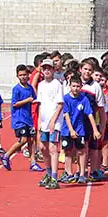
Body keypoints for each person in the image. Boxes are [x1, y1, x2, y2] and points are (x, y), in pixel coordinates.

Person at [60, 76, 99, 185]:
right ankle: (68, 173)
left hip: (80, 129)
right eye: (74, 86)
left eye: (78, 86)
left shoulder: (84, 99)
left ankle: (82, 174)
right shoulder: (66, 98)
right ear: (70, 86)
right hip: (67, 130)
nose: (76, 88)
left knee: (81, 151)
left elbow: (90, 114)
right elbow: (66, 115)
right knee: (68, 151)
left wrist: (95, 130)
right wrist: (71, 130)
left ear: (81, 87)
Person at [4, 65, 41, 171]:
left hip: (28, 118)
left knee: (31, 140)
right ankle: (6, 155)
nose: (23, 77)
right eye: (20, 75)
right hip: (19, 119)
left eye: (24, 75)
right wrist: (27, 100)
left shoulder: (30, 88)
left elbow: (33, 99)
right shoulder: (16, 89)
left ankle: (33, 162)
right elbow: (14, 104)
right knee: (23, 139)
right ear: (17, 76)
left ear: (28, 75)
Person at [35, 58, 64, 190]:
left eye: (49, 68)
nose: (47, 70)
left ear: (53, 70)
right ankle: (47, 173)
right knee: (43, 148)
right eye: (44, 68)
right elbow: (40, 105)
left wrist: (53, 121)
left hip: (55, 123)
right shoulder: (41, 85)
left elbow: (60, 104)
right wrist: (39, 123)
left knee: (53, 148)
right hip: (44, 122)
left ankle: (54, 177)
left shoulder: (57, 84)